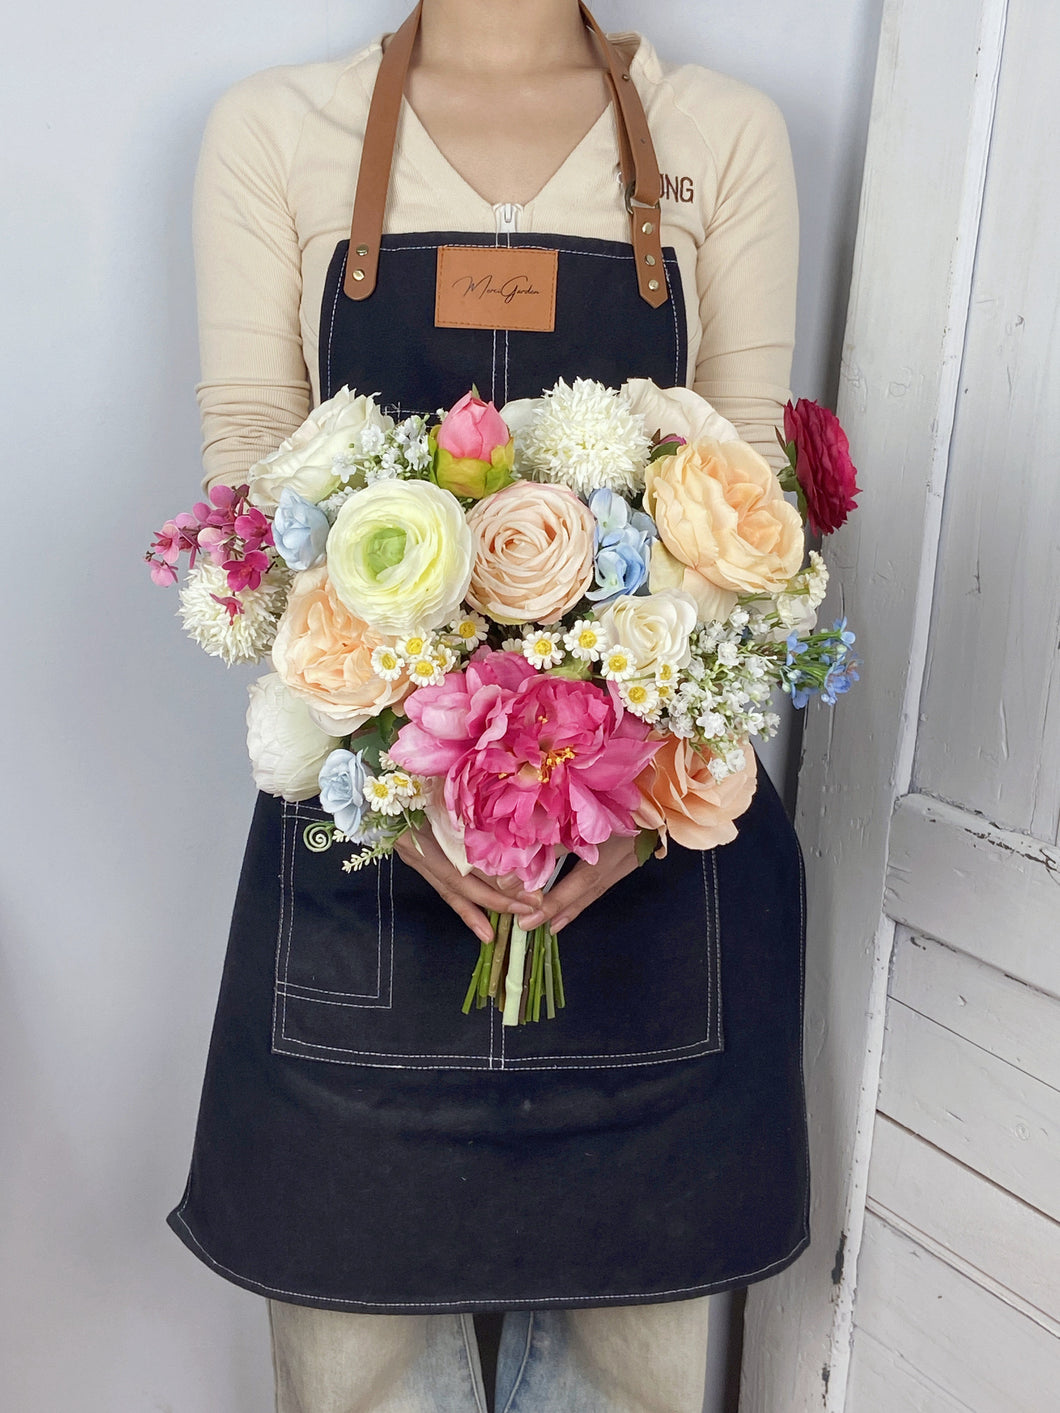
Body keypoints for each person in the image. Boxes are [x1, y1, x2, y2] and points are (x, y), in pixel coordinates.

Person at [168, 2, 808, 1408]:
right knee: (355, 1380)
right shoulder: (276, 136)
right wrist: (396, 791)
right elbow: (249, 500)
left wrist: (634, 794)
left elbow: (753, 512)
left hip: (648, 885)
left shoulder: (723, 137)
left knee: (633, 1380)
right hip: (366, 884)